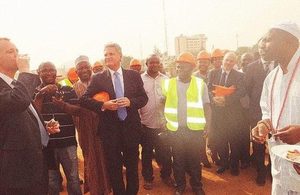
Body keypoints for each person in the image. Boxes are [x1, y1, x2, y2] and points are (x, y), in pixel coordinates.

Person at [80, 42, 148, 195]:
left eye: (111, 54)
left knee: (132, 168)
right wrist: (104, 105)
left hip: (131, 130)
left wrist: (131, 102)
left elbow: (143, 98)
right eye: (105, 54)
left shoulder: (133, 75)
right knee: (114, 169)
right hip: (110, 133)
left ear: (120, 56)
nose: (107, 57)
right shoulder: (98, 78)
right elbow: (84, 99)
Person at [251, 21, 300, 194]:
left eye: (268, 40)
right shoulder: (272, 78)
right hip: (280, 167)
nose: (261, 45)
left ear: (289, 42)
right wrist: (263, 125)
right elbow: (268, 112)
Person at [0, 38, 50, 194]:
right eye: (10, 51)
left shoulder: (15, 84)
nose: (17, 55)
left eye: (17, 50)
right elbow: (18, 102)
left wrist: (42, 126)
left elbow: (17, 115)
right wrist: (25, 71)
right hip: (16, 170)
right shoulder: (14, 86)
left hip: (33, 162)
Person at [162, 52, 211, 195]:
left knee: (195, 160)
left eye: (183, 67)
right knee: (178, 160)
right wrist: (163, 119)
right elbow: (161, 102)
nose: (179, 69)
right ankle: (180, 186)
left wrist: (208, 125)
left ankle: (197, 186)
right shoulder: (168, 83)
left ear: (191, 68)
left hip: (195, 130)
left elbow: (207, 106)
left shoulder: (200, 84)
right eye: (177, 67)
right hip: (175, 130)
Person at [34, 62, 82, 195]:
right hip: (47, 144)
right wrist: (41, 94)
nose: (49, 73)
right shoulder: (35, 92)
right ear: (39, 73)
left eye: (52, 70)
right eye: (45, 70)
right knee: (51, 181)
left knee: (73, 179)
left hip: (67, 142)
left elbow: (78, 110)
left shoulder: (67, 89)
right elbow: (34, 116)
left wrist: (63, 105)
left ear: (56, 72)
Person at [73, 55, 111, 195]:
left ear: (91, 69)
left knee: (104, 156)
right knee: (90, 157)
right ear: (76, 72)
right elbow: (73, 111)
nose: (84, 70)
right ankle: (94, 188)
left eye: (86, 67)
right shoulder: (74, 88)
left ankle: (107, 187)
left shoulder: (100, 83)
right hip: (84, 129)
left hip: (102, 126)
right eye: (80, 68)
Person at [207, 52, 247, 176]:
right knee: (221, 140)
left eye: (231, 61)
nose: (228, 62)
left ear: (235, 63)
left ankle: (234, 165)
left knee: (234, 141)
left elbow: (241, 91)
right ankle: (224, 164)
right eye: (226, 60)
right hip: (218, 114)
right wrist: (213, 98)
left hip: (233, 114)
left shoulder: (240, 76)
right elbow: (208, 89)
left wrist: (226, 100)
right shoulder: (213, 73)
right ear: (222, 60)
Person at [139, 54, 174, 190]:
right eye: (151, 62)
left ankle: (166, 175)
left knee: (165, 152)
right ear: (146, 63)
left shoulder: (166, 80)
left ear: (160, 64)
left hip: (163, 124)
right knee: (147, 153)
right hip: (146, 123)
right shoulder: (139, 80)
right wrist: (139, 122)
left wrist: (168, 101)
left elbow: (172, 98)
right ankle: (148, 178)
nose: (154, 64)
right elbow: (137, 101)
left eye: (157, 62)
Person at [244, 39, 275, 186]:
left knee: (275, 142)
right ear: (258, 49)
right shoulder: (251, 68)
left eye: (266, 47)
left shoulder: (279, 65)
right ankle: (261, 171)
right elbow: (248, 90)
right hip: (257, 113)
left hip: (277, 113)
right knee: (258, 144)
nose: (263, 50)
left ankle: (272, 169)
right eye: (260, 47)